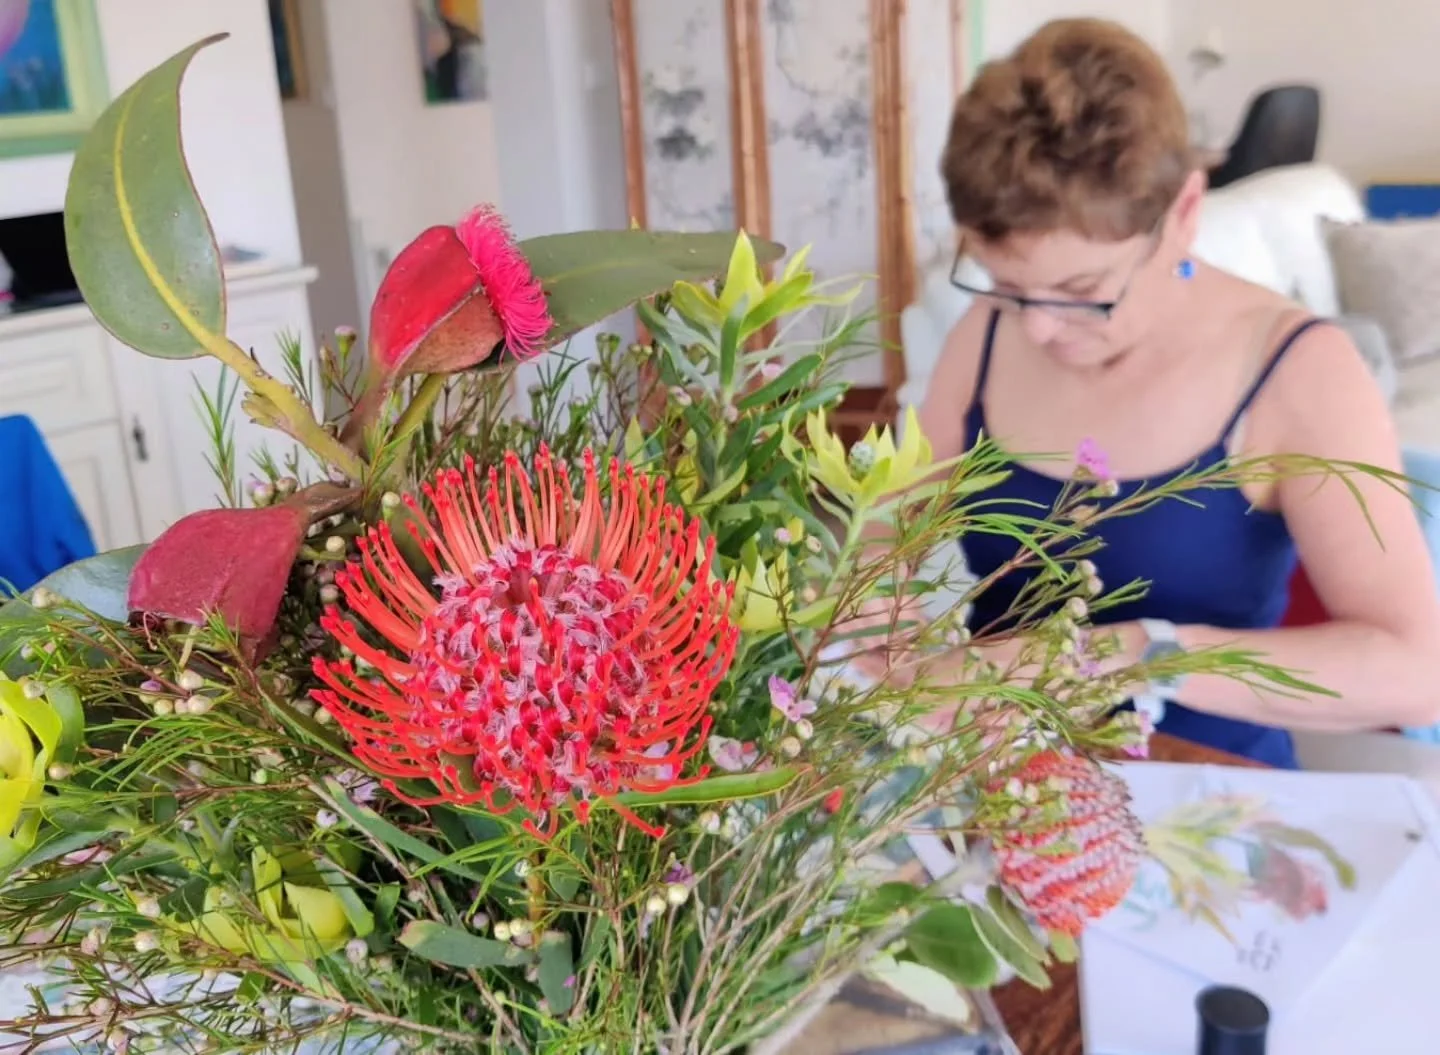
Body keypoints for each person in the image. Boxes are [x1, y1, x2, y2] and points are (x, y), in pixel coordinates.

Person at [870, 18, 1440, 767]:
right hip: (999, 785)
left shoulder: (1298, 370)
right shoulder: (983, 333)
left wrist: (1134, 654)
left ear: (1183, 214)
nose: (1038, 328)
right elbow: (885, 531)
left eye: (1083, 291)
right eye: (1009, 286)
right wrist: (876, 605)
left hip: (1209, 801)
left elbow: (1413, 673)